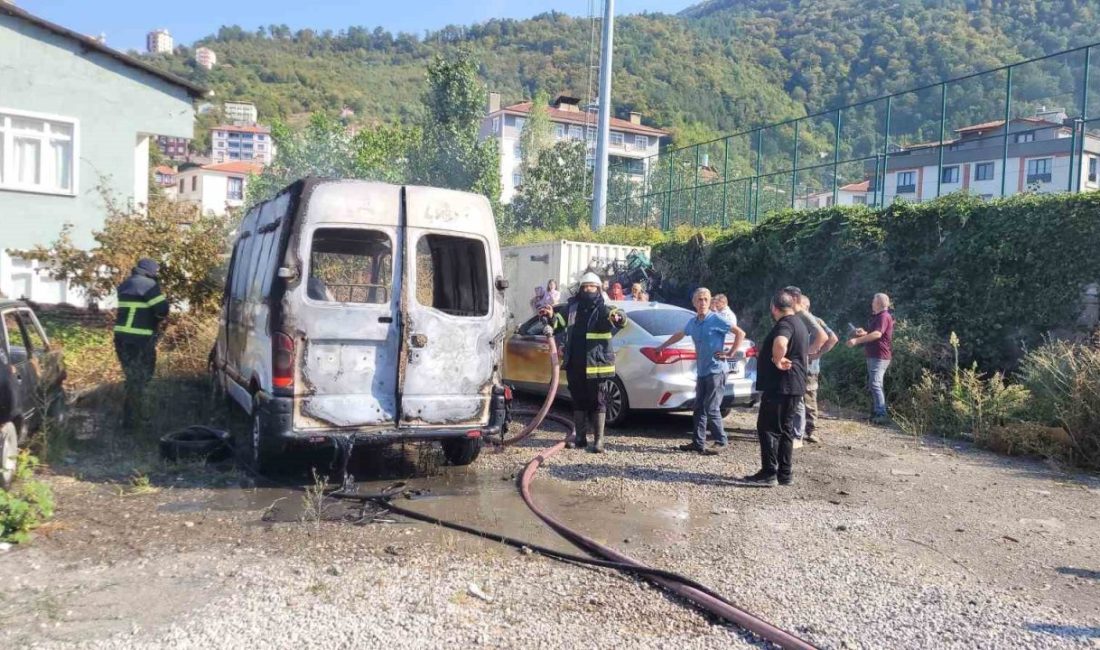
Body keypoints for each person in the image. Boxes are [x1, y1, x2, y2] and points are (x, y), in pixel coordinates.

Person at [653, 288, 745, 454]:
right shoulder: (693, 322)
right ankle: (698, 442)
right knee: (699, 408)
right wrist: (662, 346)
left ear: (709, 302)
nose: (702, 303)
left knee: (712, 407)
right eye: (699, 300)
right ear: (694, 303)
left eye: (705, 299)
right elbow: (680, 334)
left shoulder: (716, 319)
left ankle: (721, 441)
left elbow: (740, 333)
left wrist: (731, 353)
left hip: (716, 370)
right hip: (702, 371)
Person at [541, 272, 626, 453]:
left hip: (597, 365)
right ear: (580, 289)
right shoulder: (572, 308)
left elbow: (618, 317)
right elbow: (559, 324)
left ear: (598, 289)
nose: (588, 290)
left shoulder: (604, 309)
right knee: (578, 400)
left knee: (598, 402)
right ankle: (580, 438)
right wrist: (551, 316)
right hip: (575, 363)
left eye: (592, 287)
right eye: (585, 287)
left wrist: (619, 318)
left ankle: (599, 441)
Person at [742, 291, 809, 487]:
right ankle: (785, 474)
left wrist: (777, 360)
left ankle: (769, 473)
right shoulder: (799, 323)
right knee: (786, 430)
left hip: (781, 385)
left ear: (774, 307)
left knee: (768, 428)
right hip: (794, 384)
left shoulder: (785, 324)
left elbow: (781, 342)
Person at [113, 258, 169, 431]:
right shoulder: (147, 285)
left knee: (132, 378)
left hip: (121, 339)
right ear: (150, 271)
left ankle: (129, 419)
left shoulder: (125, 284)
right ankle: (134, 421)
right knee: (142, 378)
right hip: (140, 340)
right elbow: (162, 309)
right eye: (156, 271)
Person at [782, 286, 829, 448]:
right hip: (793, 364)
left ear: (794, 298)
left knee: (801, 400)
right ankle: (794, 432)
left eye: (786, 297)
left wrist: (809, 353)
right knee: (795, 399)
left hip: (803, 366)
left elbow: (824, 336)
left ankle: (799, 434)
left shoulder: (804, 315)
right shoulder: (793, 315)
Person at [794, 295, 838, 443]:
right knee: (802, 399)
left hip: (809, 368)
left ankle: (810, 430)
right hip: (802, 366)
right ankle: (803, 429)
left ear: (805, 306)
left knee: (808, 399)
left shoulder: (815, 321)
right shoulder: (800, 320)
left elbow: (833, 338)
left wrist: (815, 353)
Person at [847, 293, 894, 424]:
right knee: (875, 384)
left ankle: (881, 414)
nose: (872, 303)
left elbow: (878, 334)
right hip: (876, 355)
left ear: (878, 303)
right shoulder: (880, 316)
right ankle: (877, 412)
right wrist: (865, 333)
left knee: (875, 384)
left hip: (879, 356)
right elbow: (877, 333)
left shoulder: (883, 316)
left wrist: (857, 340)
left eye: (873, 301)